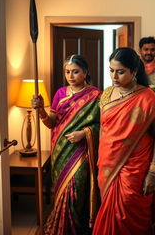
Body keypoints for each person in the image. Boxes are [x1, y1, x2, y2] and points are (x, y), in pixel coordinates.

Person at [92, 47, 155, 235]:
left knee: (129, 209)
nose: (114, 76)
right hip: (107, 164)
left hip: (136, 168)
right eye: (111, 70)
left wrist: (153, 171)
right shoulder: (107, 94)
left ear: (134, 72)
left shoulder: (149, 98)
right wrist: (100, 159)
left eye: (120, 71)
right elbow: (104, 129)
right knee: (109, 210)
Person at [31, 54, 102, 235]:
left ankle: (77, 229)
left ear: (85, 72)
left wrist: (84, 133)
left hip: (82, 150)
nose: (70, 76)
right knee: (61, 190)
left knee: (77, 189)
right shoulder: (60, 93)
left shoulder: (95, 95)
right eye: (67, 72)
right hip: (60, 149)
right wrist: (41, 112)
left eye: (75, 71)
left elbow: (102, 126)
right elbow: (52, 123)